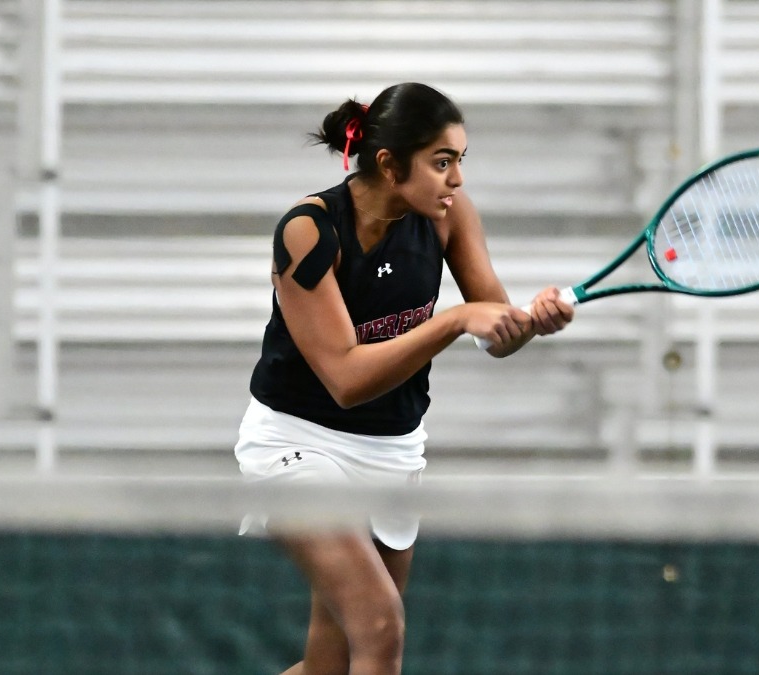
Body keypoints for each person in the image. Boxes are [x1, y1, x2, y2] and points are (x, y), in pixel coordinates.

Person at [234, 82, 574, 675]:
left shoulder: (450, 216)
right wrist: (456, 320)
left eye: (460, 161)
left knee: (329, 666)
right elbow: (345, 378)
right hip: (298, 443)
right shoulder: (308, 231)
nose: (457, 180)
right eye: (442, 163)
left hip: (391, 452)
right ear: (390, 165)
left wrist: (532, 321)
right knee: (380, 625)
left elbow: (496, 332)